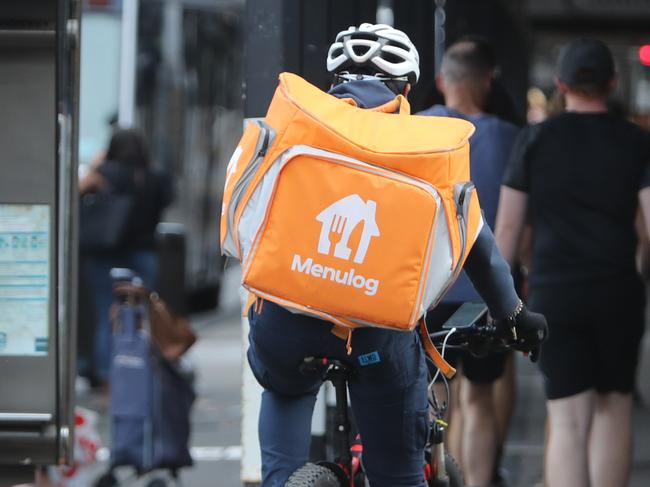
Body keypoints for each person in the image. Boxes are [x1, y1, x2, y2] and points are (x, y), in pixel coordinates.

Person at [246, 23, 547, 487]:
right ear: (408, 89)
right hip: (376, 338)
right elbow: (476, 246)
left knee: (285, 389)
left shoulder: (292, 125)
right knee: (399, 474)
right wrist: (513, 314)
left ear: (335, 82)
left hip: (285, 323)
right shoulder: (430, 144)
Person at [495, 38, 650, 487]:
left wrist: (499, 300)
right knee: (613, 407)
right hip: (617, 290)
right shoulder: (636, 142)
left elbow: (506, 230)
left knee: (566, 421)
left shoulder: (535, 139)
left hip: (555, 294)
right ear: (613, 82)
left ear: (561, 85)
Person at [419, 39, 521, 487]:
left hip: (425, 292)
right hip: (483, 295)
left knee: (428, 396)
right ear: (486, 82)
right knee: (477, 398)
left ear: (442, 82)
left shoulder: (415, 131)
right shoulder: (511, 139)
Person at [79, 128, 173, 386]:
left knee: (106, 315)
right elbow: (167, 200)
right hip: (144, 255)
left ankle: (109, 378)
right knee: (143, 315)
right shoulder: (155, 177)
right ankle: (143, 373)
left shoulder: (105, 174)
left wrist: (97, 166)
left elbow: (75, 191)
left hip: (105, 256)